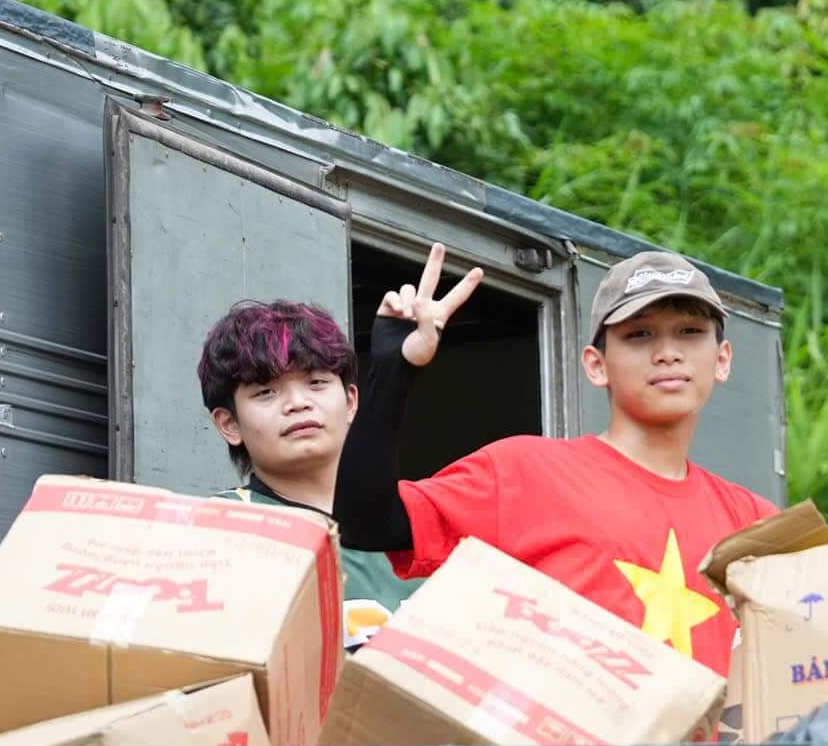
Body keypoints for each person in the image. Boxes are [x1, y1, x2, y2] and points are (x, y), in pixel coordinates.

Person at [330, 245, 774, 676]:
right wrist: (392, 369)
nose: (667, 352)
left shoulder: (757, 525)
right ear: (596, 365)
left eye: (690, 332)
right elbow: (367, 522)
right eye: (639, 334)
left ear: (722, 359)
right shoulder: (524, 471)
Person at [195, 297, 433, 647]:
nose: (298, 403)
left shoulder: (423, 517)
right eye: (266, 392)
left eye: (317, 383)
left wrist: (396, 370)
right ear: (230, 424)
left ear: (351, 402)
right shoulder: (219, 531)